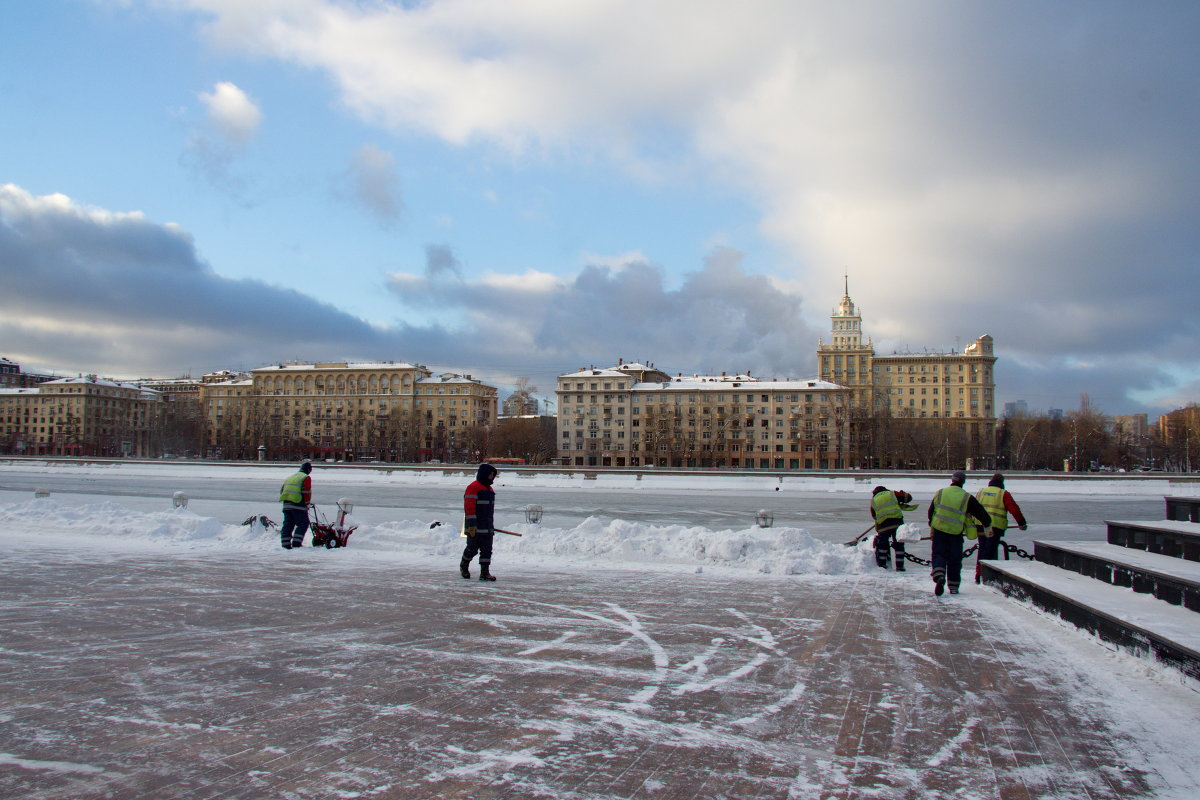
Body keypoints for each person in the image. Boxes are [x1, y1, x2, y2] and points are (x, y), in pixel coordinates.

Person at [927, 470, 991, 596]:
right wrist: (987, 524)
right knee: (954, 559)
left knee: (938, 554)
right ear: (963, 482)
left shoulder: (940, 493)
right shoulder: (966, 497)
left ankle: (939, 574)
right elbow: (980, 512)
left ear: (952, 480)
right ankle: (954, 585)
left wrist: (931, 523)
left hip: (939, 530)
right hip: (956, 533)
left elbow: (931, 510)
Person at [974, 473, 1028, 580]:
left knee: (983, 548)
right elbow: (1014, 509)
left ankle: (979, 573)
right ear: (1002, 482)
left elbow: (973, 507)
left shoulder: (981, 492)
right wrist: (1021, 523)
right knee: (990, 550)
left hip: (980, 525)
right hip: (995, 527)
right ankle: (986, 575)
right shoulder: (1003, 493)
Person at [460, 463, 499, 582]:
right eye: (491, 474)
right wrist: (471, 525)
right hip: (475, 526)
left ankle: (485, 572)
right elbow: (469, 508)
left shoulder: (490, 489)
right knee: (472, 549)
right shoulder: (473, 487)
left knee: (487, 550)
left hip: (487, 526)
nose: (492, 477)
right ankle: (464, 565)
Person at [869, 486, 918, 571]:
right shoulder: (892, 493)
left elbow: (874, 516)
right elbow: (908, 498)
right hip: (897, 523)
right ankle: (900, 566)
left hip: (883, 525)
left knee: (882, 545)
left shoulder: (873, 501)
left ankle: (882, 565)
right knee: (899, 544)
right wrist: (902, 496)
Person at [278, 459, 312, 549]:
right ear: (308, 470)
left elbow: (282, 491)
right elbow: (306, 492)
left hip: (286, 505)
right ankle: (296, 544)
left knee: (288, 524)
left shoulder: (290, 477)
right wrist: (307, 503)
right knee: (303, 523)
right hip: (298, 504)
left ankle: (285, 544)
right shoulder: (305, 477)